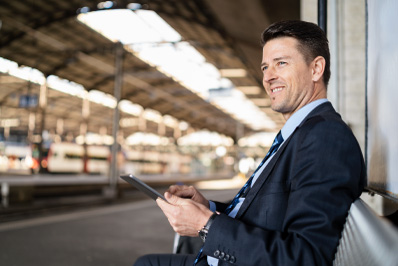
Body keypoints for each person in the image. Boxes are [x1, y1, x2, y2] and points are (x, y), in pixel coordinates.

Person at [134, 20, 366, 266]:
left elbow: (305, 257)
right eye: (265, 67)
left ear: (316, 69)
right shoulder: (300, 133)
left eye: (281, 63)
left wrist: (205, 225)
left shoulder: (325, 137)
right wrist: (207, 207)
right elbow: (264, 213)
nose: (268, 77)